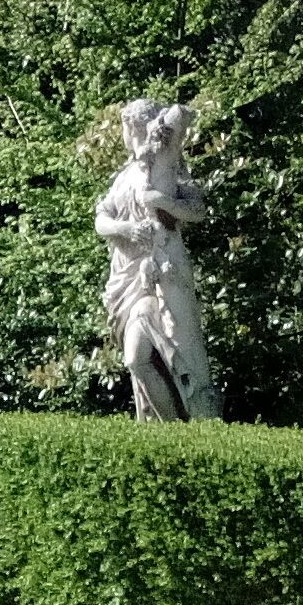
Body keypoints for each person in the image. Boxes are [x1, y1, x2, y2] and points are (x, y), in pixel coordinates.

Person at [95, 99, 221, 422]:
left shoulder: (168, 166)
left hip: (155, 275)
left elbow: (197, 210)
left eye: (124, 127)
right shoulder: (123, 177)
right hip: (124, 280)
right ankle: (167, 428)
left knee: (139, 356)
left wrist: (164, 202)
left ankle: (180, 424)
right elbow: (101, 221)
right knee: (138, 362)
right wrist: (125, 228)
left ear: (133, 127)